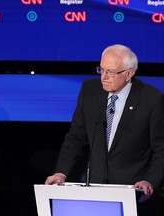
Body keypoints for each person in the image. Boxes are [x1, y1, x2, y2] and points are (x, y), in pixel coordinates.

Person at [45, 44, 164, 216]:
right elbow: (75, 138)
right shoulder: (89, 91)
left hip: (134, 194)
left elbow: (161, 149)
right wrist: (61, 172)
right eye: (101, 70)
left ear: (129, 74)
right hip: (94, 192)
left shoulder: (151, 100)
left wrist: (149, 181)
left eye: (111, 72)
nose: (104, 77)